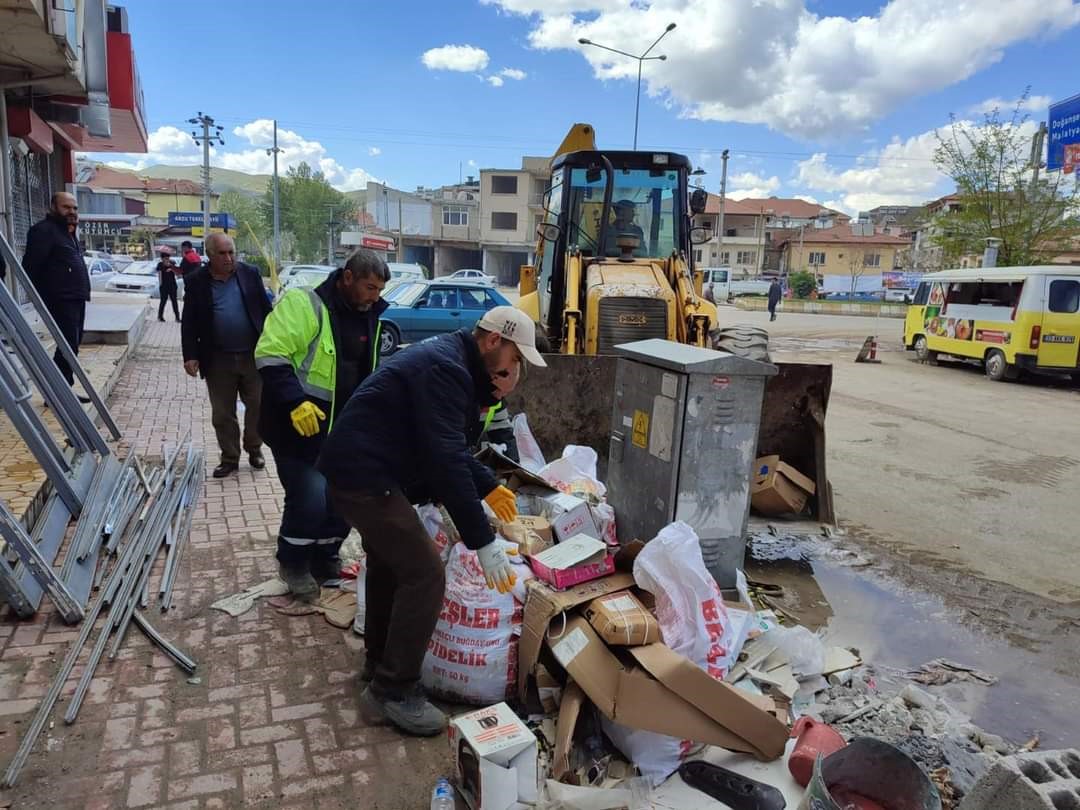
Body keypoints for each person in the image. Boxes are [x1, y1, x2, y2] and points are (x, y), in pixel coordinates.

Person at [317, 307, 546, 736]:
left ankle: (378, 667)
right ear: (494, 340)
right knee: (425, 575)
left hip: (361, 472)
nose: (513, 371)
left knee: (391, 565)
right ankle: (394, 691)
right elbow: (443, 460)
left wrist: (487, 486)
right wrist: (482, 541)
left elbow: (449, 449)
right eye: (515, 360)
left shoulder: (451, 362)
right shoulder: (447, 369)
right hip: (366, 479)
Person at [254, 249, 389, 601]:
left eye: (379, 290)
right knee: (310, 498)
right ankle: (294, 563)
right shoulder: (304, 305)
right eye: (370, 287)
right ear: (348, 278)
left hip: (343, 431)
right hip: (297, 428)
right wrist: (295, 401)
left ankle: (325, 556)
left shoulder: (370, 313)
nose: (376, 296)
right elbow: (270, 354)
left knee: (342, 500)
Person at [181, 233, 271, 478]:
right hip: (217, 358)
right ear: (209, 255)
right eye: (222, 253)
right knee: (222, 413)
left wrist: (275, 346)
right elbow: (188, 321)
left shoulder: (249, 273)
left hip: (253, 355)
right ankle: (229, 457)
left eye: (231, 252)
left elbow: (266, 311)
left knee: (258, 406)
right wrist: (190, 354)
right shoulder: (196, 281)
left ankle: (254, 448)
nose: (229, 258)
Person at [21, 192, 91, 399]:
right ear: (53, 207)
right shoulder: (43, 231)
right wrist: (42, 295)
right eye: (66, 207)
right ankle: (58, 393)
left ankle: (61, 391)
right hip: (59, 299)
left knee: (72, 344)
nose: (72, 212)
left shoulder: (67, 232)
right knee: (67, 345)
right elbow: (30, 266)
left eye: (75, 208)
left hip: (75, 297)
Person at [156, 251, 180, 322]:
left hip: (172, 285)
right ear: (162, 258)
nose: (167, 259)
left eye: (168, 258)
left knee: (174, 301)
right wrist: (160, 285)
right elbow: (159, 275)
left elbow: (177, 273)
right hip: (164, 285)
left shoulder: (172, 263)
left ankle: (177, 317)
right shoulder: (160, 265)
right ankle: (160, 316)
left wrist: (172, 268)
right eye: (165, 258)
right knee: (163, 301)